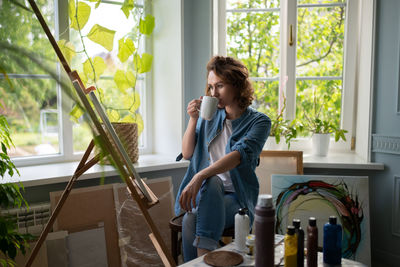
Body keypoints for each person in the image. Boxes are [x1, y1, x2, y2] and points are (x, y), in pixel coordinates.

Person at [174, 55, 271, 262]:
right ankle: (204, 261)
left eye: (219, 86)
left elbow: (238, 156)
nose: (213, 93)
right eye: (210, 87)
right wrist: (193, 120)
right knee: (210, 184)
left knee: (191, 218)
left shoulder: (260, 122)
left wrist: (200, 175)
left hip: (237, 198)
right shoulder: (210, 116)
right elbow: (188, 153)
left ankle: (201, 261)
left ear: (237, 86)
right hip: (204, 194)